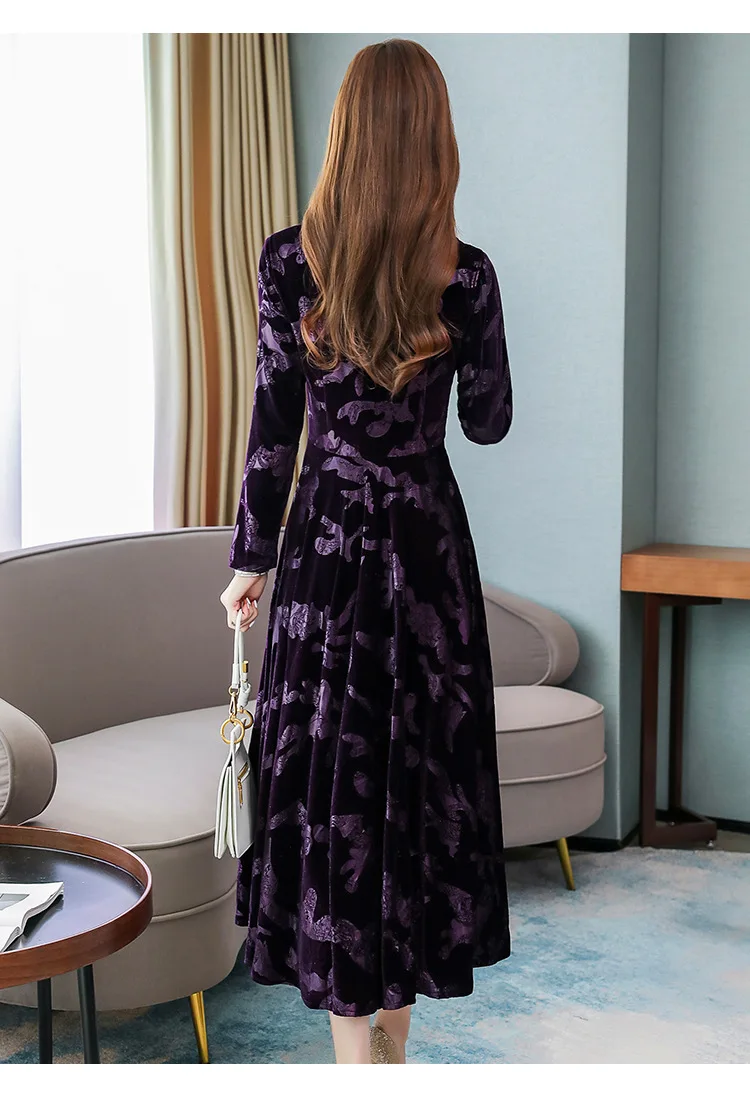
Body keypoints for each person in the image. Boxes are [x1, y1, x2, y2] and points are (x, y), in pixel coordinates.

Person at [219, 37, 513, 1065]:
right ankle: (390, 1048)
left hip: (325, 554)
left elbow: (274, 428)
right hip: (425, 556)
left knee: (336, 785)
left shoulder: (288, 262)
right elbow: (488, 423)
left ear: (345, 134)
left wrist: (250, 561)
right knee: (417, 785)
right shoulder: (465, 277)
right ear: (435, 140)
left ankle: (360, 1057)